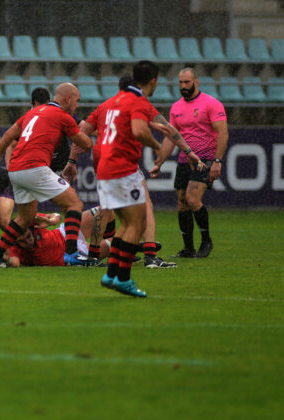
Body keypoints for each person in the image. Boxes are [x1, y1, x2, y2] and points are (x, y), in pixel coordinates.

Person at [73, 73, 203, 268]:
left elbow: (83, 131)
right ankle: (150, 255)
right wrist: (188, 151)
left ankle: (93, 256)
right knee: (145, 204)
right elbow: (169, 129)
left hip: (102, 158)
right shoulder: (137, 103)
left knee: (108, 208)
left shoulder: (104, 106)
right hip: (122, 158)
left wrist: (72, 159)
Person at [0, 83, 93, 268]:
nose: (77, 105)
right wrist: (88, 139)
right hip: (34, 167)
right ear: (68, 99)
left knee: (24, 218)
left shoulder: (33, 112)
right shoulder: (63, 116)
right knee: (74, 204)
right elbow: (85, 142)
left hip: (16, 170)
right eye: (77, 100)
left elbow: (10, 133)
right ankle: (72, 254)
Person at [88, 60, 174, 297]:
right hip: (122, 169)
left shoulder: (115, 100)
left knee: (126, 224)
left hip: (105, 167)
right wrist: (157, 146)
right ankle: (123, 278)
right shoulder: (139, 101)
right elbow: (137, 130)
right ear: (154, 80)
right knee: (138, 223)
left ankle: (111, 274)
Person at [150, 67, 228, 259]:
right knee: (182, 203)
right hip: (184, 160)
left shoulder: (211, 104)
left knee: (193, 199)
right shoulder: (176, 107)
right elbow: (171, 137)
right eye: (180, 82)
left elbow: (223, 133)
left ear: (196, 81)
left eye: (187, 82)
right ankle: (188, 249)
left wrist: (217, 161)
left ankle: (206, 241)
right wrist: (160, 161)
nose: (183, 86)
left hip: (205, 159)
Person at [6, 210, 114, 267]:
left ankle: (113, 256)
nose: (27, 241)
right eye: (23, 241)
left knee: (106, 209)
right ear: (16, 242)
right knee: (121, 243)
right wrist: (6, 257)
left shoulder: (31, 221)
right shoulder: (14, 249)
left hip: (66, 232)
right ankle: (114, 252)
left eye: (28, 236)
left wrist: (50, 221)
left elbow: (57, 215)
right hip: (75, 254)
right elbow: (15, 262)